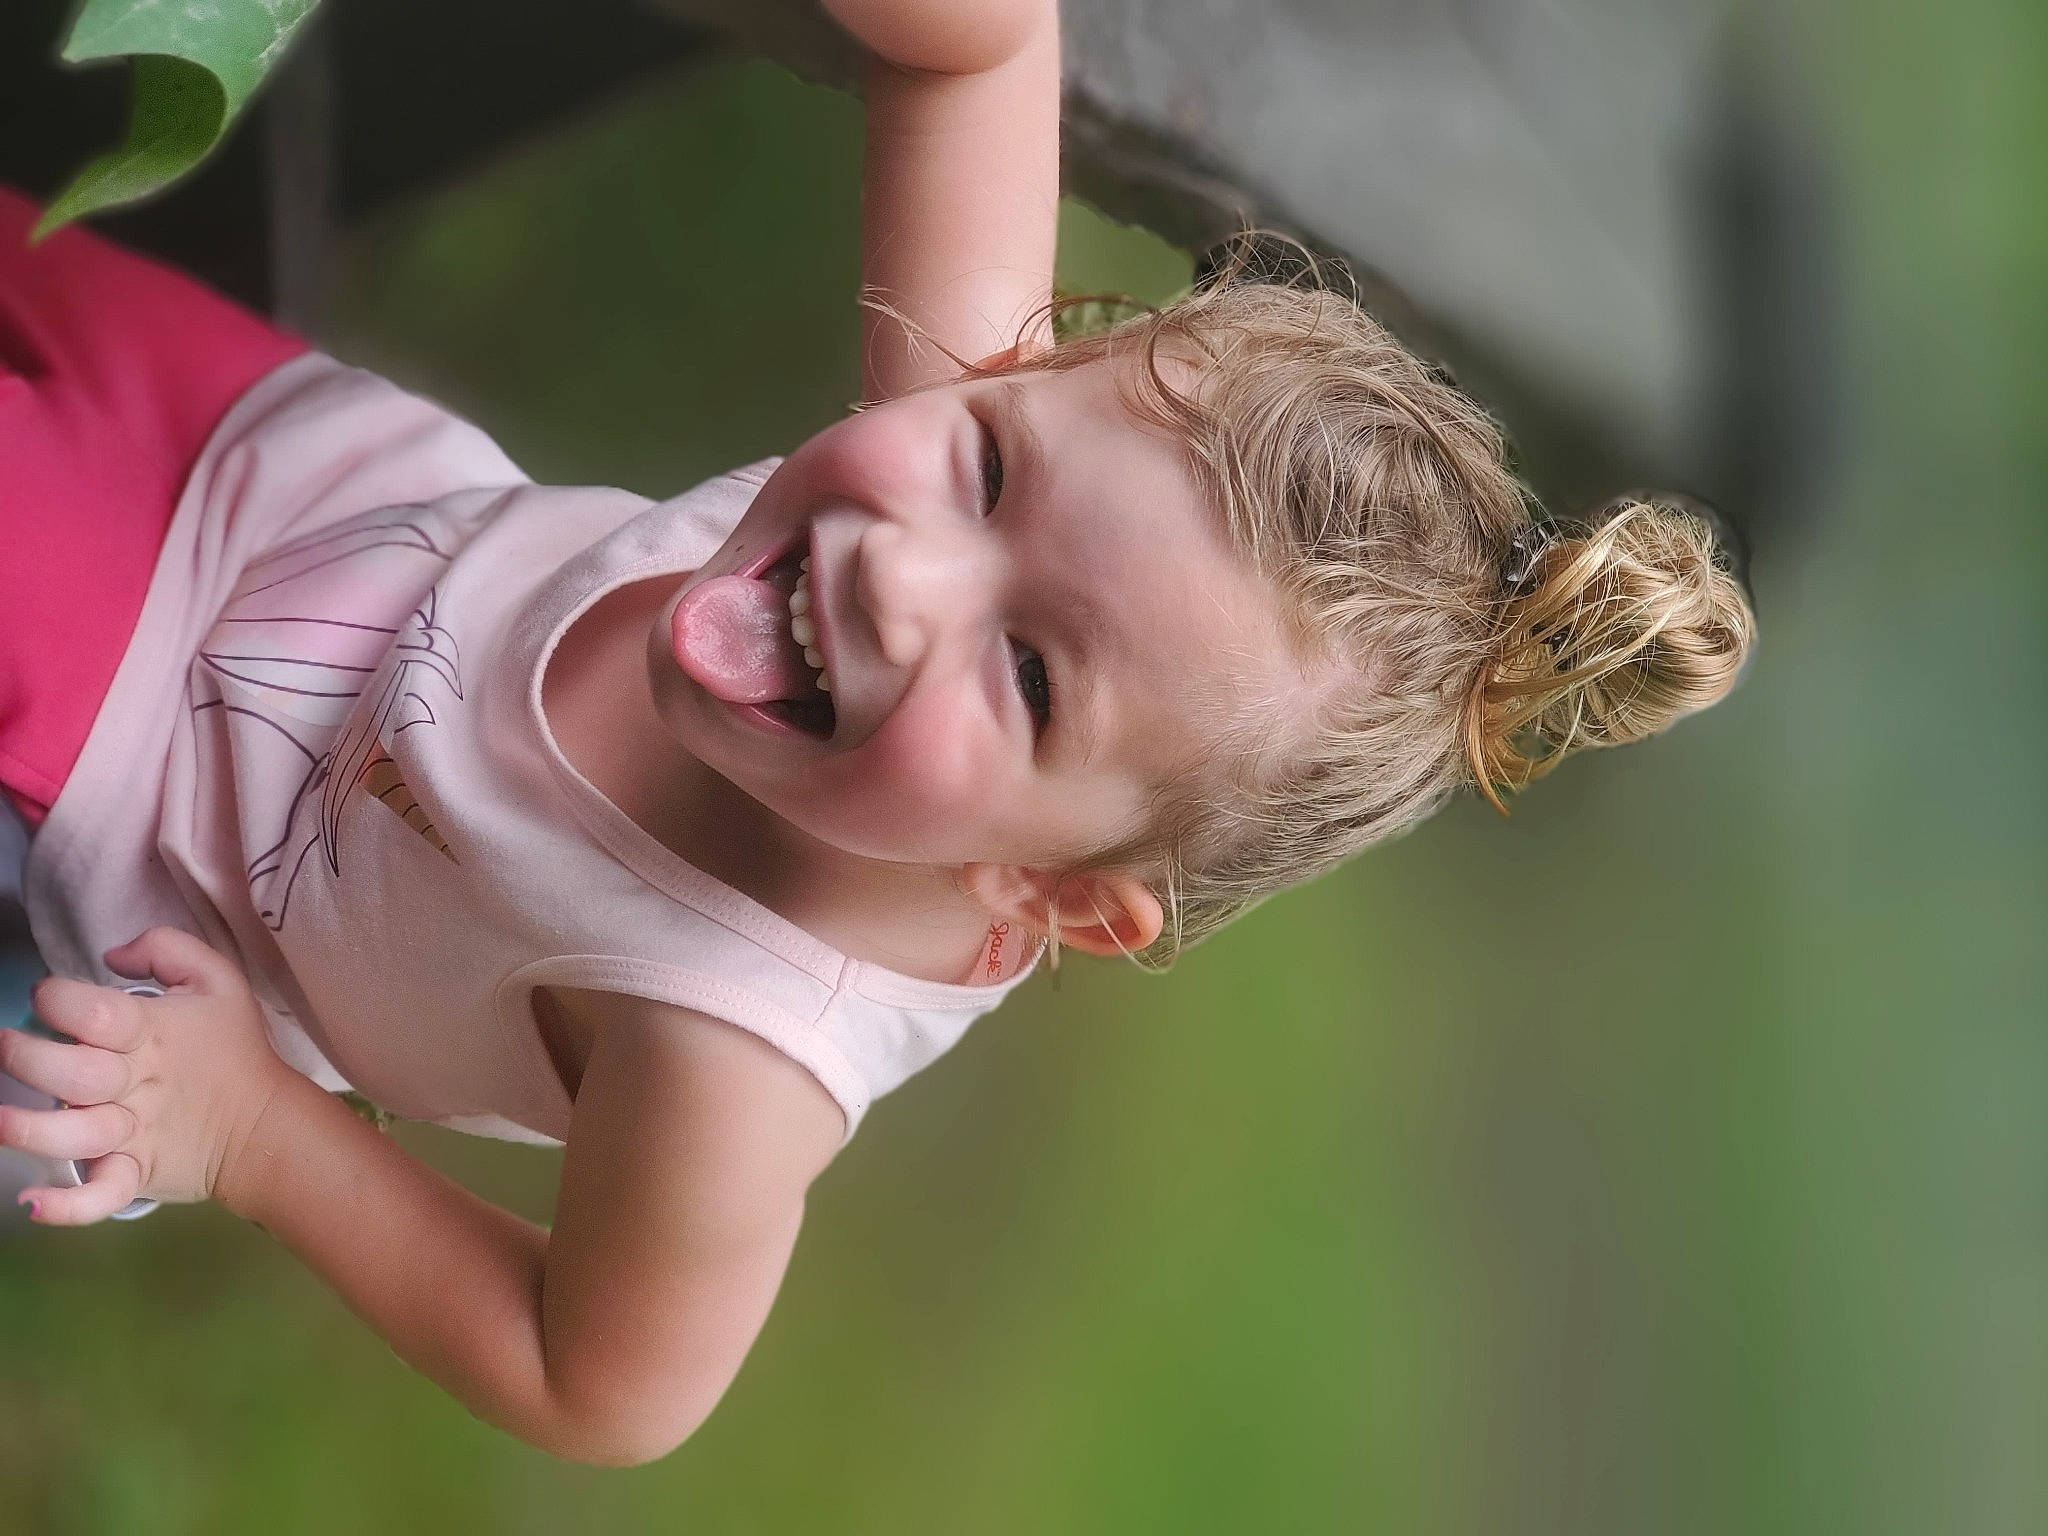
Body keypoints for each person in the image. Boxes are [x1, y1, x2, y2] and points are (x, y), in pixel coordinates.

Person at [0, 0, 1754, 1466]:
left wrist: (247, 1133)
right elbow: (979, 51)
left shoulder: (731, 1048)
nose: (908, 578)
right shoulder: (968, 460)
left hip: (145, 816)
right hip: (242, 461)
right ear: (1021, 377)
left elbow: (602, 1384)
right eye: (988, 461)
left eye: (1034, 678)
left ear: (1058, 899)